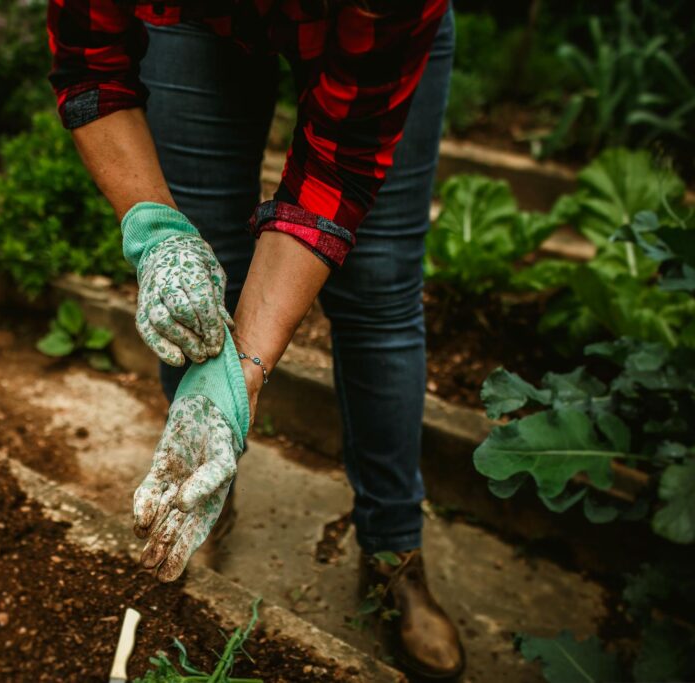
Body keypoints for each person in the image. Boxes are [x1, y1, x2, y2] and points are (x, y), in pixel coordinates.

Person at [47, 0, 463, 678]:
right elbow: (90, 65)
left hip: (363, 33)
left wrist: (245, 370)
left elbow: (334, 171)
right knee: (196, 265)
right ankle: (205, 488)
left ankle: (394, 548)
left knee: (379, 288)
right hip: (192, 26)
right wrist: (158, 235)